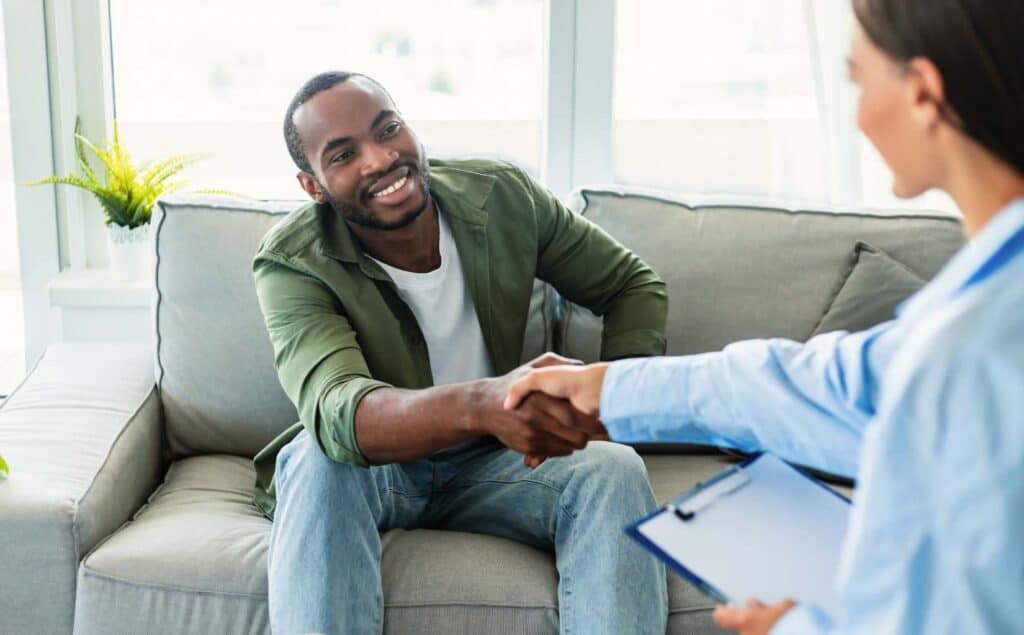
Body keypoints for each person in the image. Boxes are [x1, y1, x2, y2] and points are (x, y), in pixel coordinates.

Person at [505, 0, 1024, 633]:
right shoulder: (973, 315)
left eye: (858, 78)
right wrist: (606, 387)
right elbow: (826, 383)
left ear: (921, 94)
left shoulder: (977, 344)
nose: (858, 115)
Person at [253, 71, 670, 633]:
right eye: (345, 155)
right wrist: (483, 403)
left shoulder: (501, 196)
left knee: (613, 469)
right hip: (376, 468)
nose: (379, 160)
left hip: (497, 461)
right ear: (313, 186)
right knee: (315, 458)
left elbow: (631, 287)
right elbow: (339, 411)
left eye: (389, 129)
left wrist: (608, 406)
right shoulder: (293, 261)